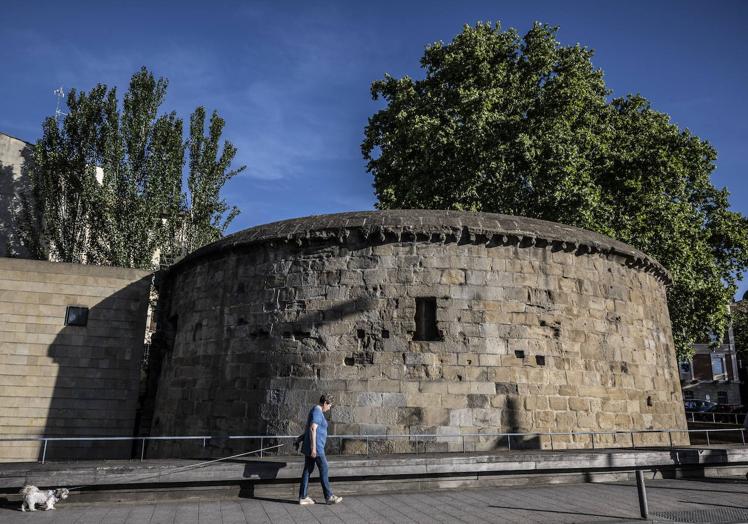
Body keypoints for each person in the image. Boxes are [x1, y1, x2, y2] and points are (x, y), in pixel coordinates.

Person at [298, 394, 342, 505]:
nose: (329, 408)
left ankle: (303, 497)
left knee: (307, 470)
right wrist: (313, 449)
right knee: (324, 468)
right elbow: (313, 428)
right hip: (316, 447)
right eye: (330, 405)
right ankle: (329, 496)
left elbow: (309, 428)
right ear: (325, 403)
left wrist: (300, 438)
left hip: (312, 446)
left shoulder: (314, 410)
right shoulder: (317, 411)